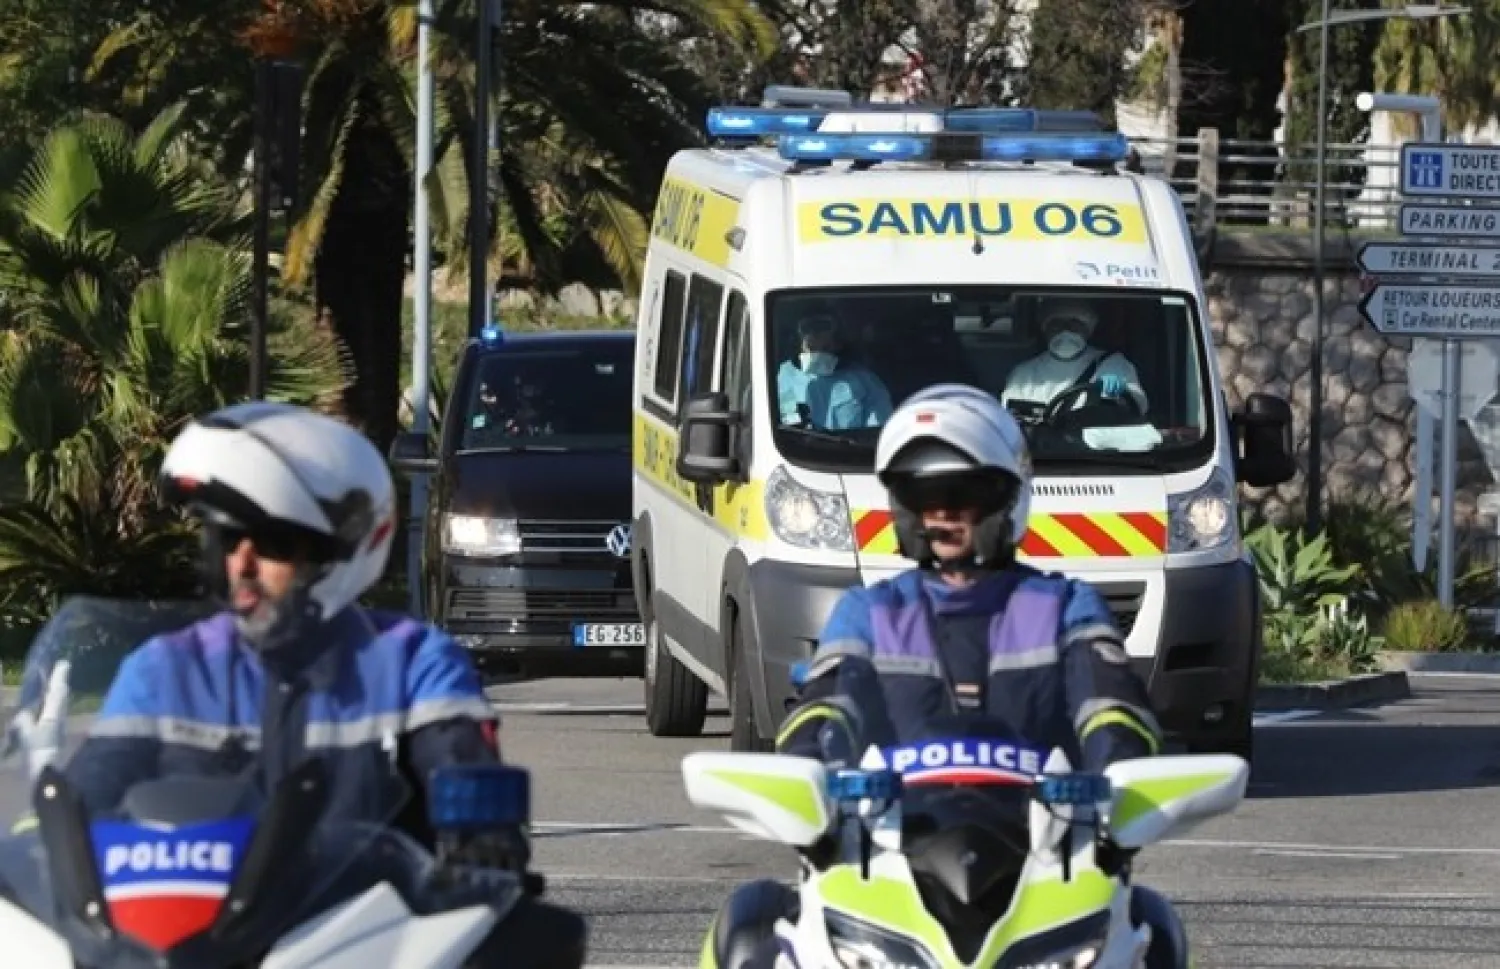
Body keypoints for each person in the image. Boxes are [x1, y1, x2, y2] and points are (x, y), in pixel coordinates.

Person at [20, 401, 585, 969]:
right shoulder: (164, 667)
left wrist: (482, 840)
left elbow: (465, 771)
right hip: (181, 948)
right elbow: (86, 798)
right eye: (228, 538)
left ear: (338, 552)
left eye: (270, 544)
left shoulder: (411, 662)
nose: (242, 563)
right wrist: (41, 853)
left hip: (357, 947)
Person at [702, 384, 1174, 969]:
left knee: (1156, 933)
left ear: (1006, 498)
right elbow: (824, 708)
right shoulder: (869, 613)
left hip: (1046, 861)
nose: (944, 514)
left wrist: (1119, 779)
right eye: (926, 497)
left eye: (964, 495)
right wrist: (807, 780)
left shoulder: (1065, 607)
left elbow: (1114, 710)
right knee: (748, 933)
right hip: (885, 857)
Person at [1001, 298, 1149, 419]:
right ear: (1045, 329)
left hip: (1095, 450)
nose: (1065, 330)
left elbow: (1139, 407)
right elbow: (1008, 416)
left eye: (1074, 324)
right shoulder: (1024, 373)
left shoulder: (1113, 363)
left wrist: (1124, 393)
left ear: (1088, 329)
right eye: (1057, 324)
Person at [775, 311, 893, 430]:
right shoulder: (782, 376)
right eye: (807, 328)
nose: (815, 334)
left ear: (838, 337)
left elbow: (877, 432)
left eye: (822, 326)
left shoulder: (865, 381)